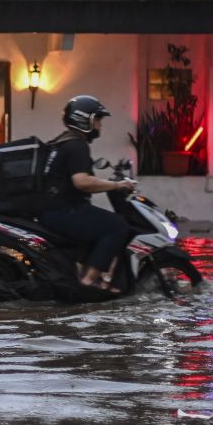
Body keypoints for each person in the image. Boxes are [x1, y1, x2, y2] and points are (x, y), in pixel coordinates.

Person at [38, 95, 135, 294]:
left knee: (98, 224)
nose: (100, 125)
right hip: (64, 211)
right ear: (85, 120)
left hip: (52, 210)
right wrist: (116, 185)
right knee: (117, 226)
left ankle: (86, 275)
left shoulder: (62, 141)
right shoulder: (76, 145)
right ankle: (88, 282)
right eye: (98, 120)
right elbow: (82, 182)